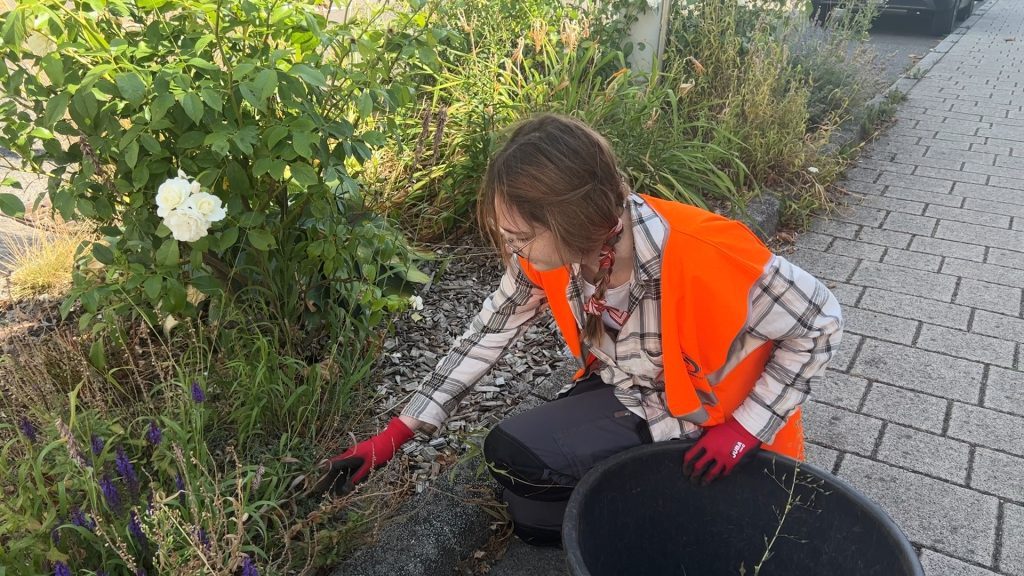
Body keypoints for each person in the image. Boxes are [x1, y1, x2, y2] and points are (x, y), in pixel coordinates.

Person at [313, 113, 843, 546]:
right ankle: (628, 504)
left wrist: (746, 428)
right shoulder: (553, 257)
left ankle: (667, 502)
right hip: (636, 397)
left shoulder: (703, 253)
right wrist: (399, 432)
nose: (512, 249)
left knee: (709, 539)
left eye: (520, 236)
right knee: (518, 469)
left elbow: (820, 322)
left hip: (716, 429)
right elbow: (488, 330)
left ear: (573, 218)